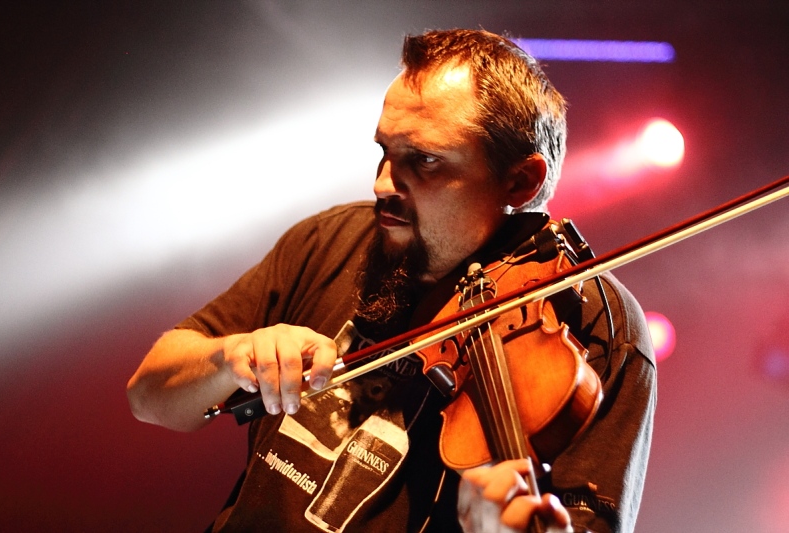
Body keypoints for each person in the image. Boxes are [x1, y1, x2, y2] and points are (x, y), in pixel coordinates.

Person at [127, 29, 656, 533]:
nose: (381, 184)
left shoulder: (594, 325)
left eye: (423, 161)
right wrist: (231, 355)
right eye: (384, 151)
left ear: (520, 180)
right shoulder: (330, 238)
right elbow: (148, 396)